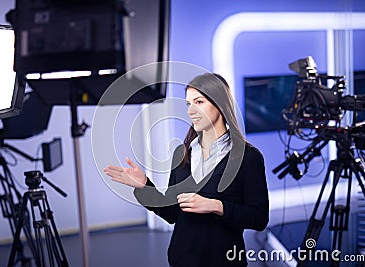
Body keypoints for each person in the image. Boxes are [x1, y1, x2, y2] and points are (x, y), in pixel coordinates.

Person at [103, 73, 269, 267]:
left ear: (220, 103)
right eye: (188, 104)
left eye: (199, 102)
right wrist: (144, 186)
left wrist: (216, 206)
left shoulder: (248, 158)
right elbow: (173, 213)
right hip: (181, 259)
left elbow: (259, 219)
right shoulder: (181, 154)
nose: (191, 111)